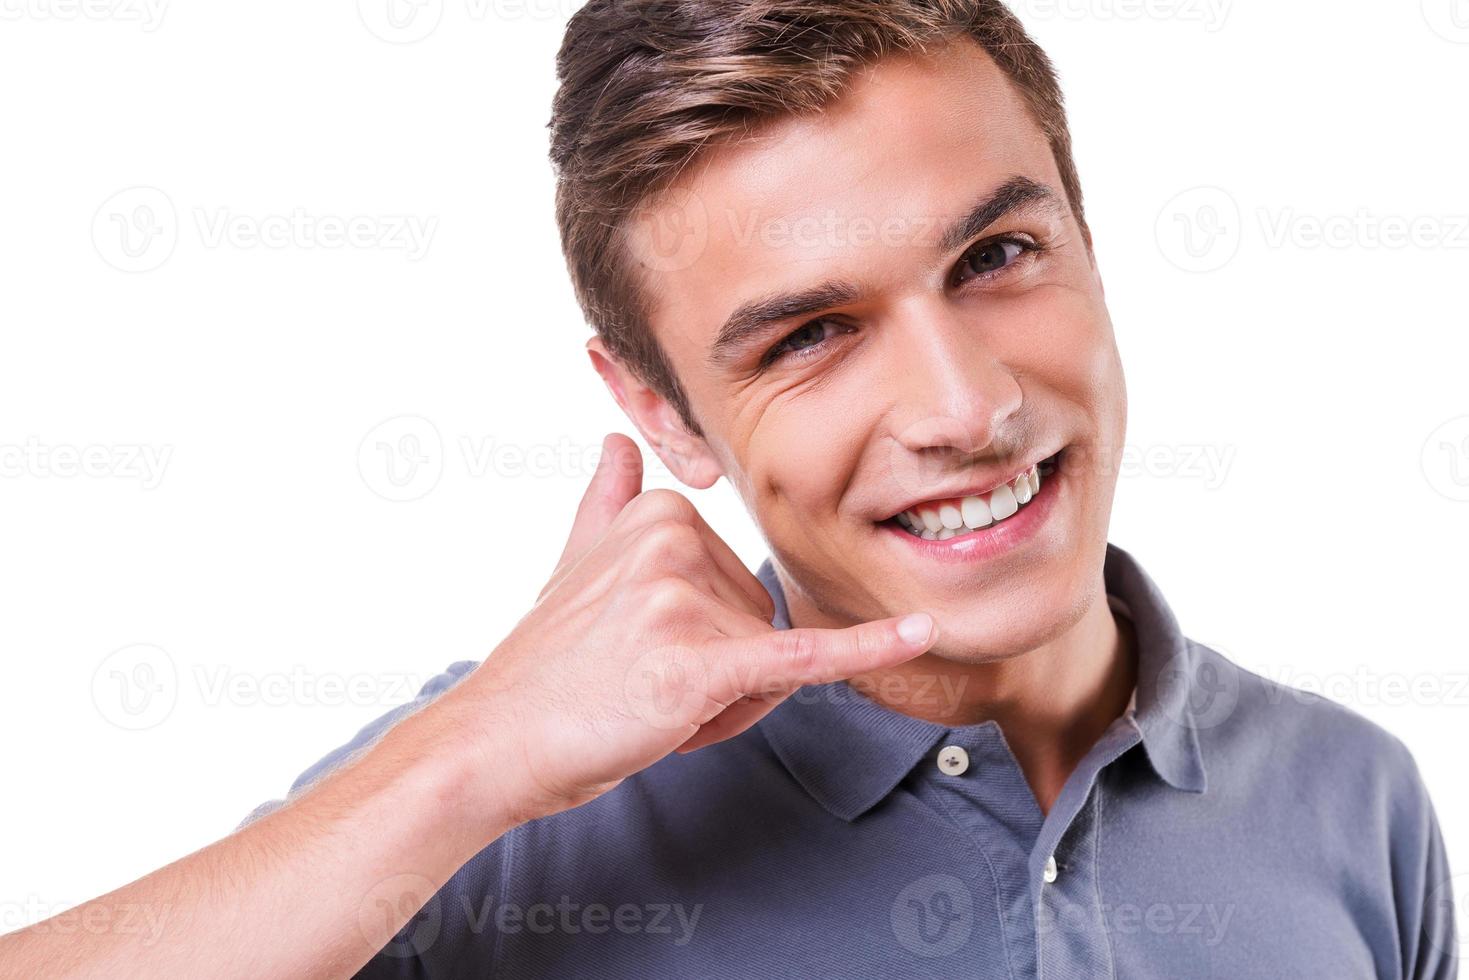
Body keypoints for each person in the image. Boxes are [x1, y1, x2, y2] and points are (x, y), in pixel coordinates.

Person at [2, 2, 1456, 977]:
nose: (966, 407)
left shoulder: (1355, 803)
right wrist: (463, 761)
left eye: (996, 257)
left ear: (1083, 235)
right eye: (812, 336)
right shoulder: (506, 816)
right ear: (658, 411)